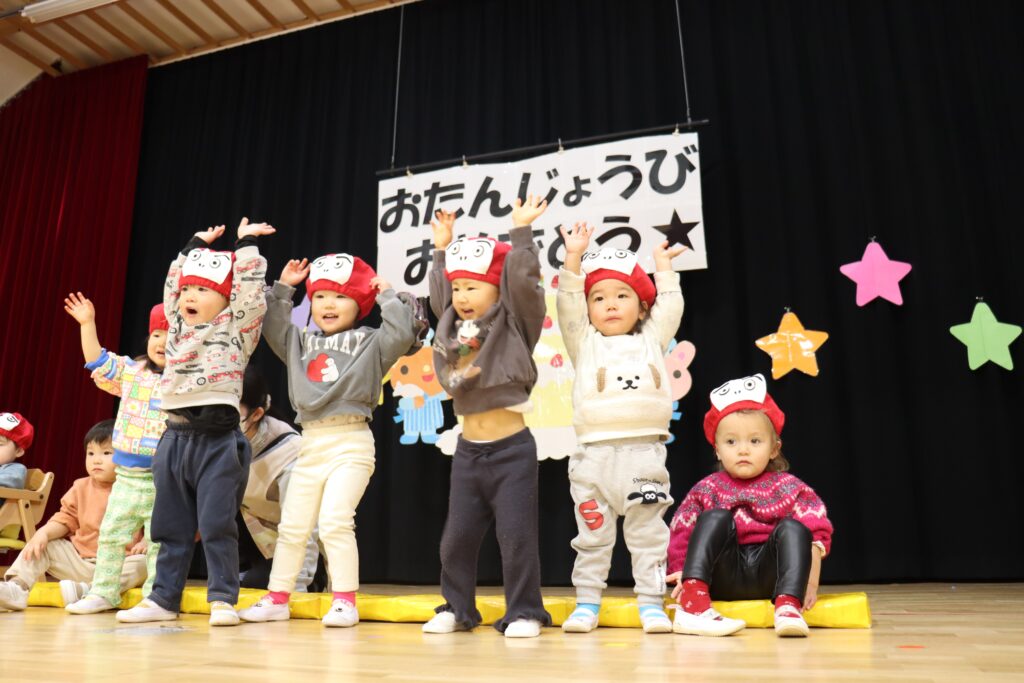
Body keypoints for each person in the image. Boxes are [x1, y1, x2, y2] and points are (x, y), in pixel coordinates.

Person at [238, 250, 419, 627]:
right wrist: (284, 289)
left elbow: (402, 333)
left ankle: (345, 601)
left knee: (336, 521)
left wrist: (386, 295)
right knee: (293, 526)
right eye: (320, 296)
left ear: (359, 304)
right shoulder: (300, 342)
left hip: (351, 442)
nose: (328, 304)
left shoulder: (371, 342)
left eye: (340, 296)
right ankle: (278, 597)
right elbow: (274, 327)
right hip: (311, 444)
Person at [117, 217, 272, 626]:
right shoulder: (176, 328)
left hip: (218, 441)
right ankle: (163, 598)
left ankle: (222, 599)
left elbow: (251, 294)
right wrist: (190, 248)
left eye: (202, 290)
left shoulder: (237, 328)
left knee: (217, 523)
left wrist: (246, 245)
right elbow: (171, 287)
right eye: (188, 289)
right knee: (169, 524)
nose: (189, 296)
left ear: (225, 299)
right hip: (174, 437)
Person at [420, 196, 553, 638]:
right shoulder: (452, 327)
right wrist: (441, 249)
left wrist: (520, 232)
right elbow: (440, 296)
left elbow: (525, 284)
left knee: (516, 538)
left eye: (473, 287)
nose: (462, 296)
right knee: (456, 538)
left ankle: (525, 611)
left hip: (512, 452)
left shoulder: (515, 323)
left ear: (498, 288)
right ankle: (457, 608)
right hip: (468, 454)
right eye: (458, 288)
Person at [555, 223, 685, 634]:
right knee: (592, 536)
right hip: (593, 457)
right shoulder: (584, 342)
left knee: (648, 534)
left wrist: (664, 268)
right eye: (599, 297)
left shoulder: (652, 338)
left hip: (645, 455)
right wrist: (573, 258)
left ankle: (651, 603)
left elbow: (671, 307)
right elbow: (567, 305)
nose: (610, 304)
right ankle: (587, 603)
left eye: (622, 295)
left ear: (642, 307)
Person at [666, 374, 834, 637]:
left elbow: (816, 537)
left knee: (794, 528)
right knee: (715, 518)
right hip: (721, 576)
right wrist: (680, 571)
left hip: (772, 577)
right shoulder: (706, 489)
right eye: (731, 442)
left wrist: (810, 583)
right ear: (717, 450)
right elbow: (681, 531)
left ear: (774, 448)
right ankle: (693, 605)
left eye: (755, 441)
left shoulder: (791, 488)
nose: (743, 450)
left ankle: (788, 606)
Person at [62, 295, 167, 614]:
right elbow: (98, 360)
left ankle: (155, 598)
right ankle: (103, 592)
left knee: (158, 542)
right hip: (127, 477)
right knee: (111, 535)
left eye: (172, 336)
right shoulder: (133, 371)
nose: (162, 342)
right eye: (157, 334)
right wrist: (87, 323)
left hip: (164, 478)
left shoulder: (186, 381)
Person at [0, 420, 147, 611]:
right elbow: (65, 518)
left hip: (120, 563)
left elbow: (153, 522)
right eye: (91, 453)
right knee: (43, 545)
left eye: (106, 453)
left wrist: (146, 541)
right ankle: (17, 588)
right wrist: (43, 533)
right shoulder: (80, 486)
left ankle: (91, 591)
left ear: (127, 456)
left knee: (145, 562)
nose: (96, 460)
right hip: (80, 561)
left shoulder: (137, 488)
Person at [237, 365, 320, 593]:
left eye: (232, 413)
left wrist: (298, 587)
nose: (220, 419)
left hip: (290, 545)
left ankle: (312, 581)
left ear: (256, 414)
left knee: (260, 583)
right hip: (251, 540)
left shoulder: (289, 452)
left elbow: (303, 527)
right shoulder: (214, 439)